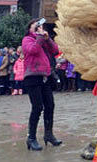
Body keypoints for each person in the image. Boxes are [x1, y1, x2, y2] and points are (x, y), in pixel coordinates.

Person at [22, 18, 61, 151]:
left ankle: (48, 134)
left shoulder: (43, 39)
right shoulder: (27, 39)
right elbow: (32, 50)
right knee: (37, 107)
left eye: (41, 25)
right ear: (30, 28)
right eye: (37, 25)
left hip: (46, 76)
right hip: (33, 77)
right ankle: (31, 137)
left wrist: (47, 38)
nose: (40, 27)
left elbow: (55, 51)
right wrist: (39, 37)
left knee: (50, 105)